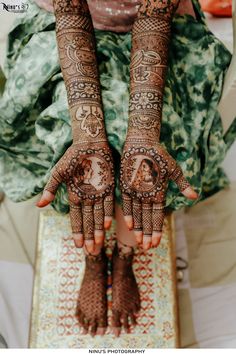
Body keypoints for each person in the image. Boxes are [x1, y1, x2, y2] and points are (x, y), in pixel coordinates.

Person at [0, 0, 234, 338]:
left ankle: (125, 254)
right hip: (68, 26)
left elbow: (155, 12)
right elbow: (70, 10)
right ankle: (94, 257)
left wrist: (142, 133)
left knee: (149, 162)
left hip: (163, 24)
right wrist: (87, 136)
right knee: (81, 162)